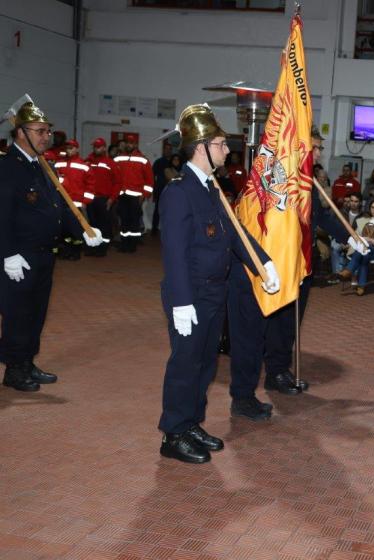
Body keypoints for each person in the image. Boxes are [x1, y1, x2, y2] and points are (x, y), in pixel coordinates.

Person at [157, 104, 280, 463]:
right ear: (202, 146)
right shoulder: (179, 192)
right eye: (222, 144)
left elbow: (235, 233)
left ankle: (191, 422)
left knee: (205, 364)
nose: (227, 150)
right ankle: (173, 433)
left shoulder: (211, 187)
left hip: (214, 291)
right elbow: (174, 253)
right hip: (191, 294)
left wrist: (263, 263)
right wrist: (180, 302)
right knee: (185, 365)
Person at [226, 128, 363, 412]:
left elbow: (322, 216)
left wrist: (349, 237)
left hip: (302, 263)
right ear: (300, 148)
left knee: (289, 322)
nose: (320, 153)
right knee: (270, 323)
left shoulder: (307, 182)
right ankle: (258, 381)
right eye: (316, 147)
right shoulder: (279, 179)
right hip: (278, 264)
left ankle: (278, 370)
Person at [0, 100, 103, 392]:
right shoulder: (8, 168)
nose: (47, 136)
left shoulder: (44, 166)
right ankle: (14, 369)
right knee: (18, 314)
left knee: (36, 313)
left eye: (48, 131)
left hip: (45, 254)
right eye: (41, 131)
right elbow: (2, 214)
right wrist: (8, 254)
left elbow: (60, 206)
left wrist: (83, 229)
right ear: (21, 133)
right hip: (19, 256)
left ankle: (27, 361)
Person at [339, 200, 374, 296]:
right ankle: (361, 286)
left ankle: (349, 269)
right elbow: (356, 235)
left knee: (364, 250)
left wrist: (372, 240)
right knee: (364, 256)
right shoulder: (362, 220)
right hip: (362, 249)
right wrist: (361, 239)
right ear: (369, 209)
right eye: (373, 207)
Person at [54, 139, 93, 260]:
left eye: (71, 148)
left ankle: (76, 253)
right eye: (67, 148)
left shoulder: (84, 166)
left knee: (75, 231)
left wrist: (85, 202)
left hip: (76, 203)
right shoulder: (58, 164)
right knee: (65, 230)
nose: (69, 150)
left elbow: (90, 185)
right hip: (62, 203)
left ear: (77, 149)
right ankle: (66, 251)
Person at [113, 132, 153, 252]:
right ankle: (124, 244)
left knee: (134, 221)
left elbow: (149, 181)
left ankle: (132, 246)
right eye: (127, 143)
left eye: (131, 143)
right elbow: (114, 177)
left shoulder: (143, 160)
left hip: (136, 197)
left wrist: (144, 195)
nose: (129, 145)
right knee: (124, 220)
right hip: (122, 195)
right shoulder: (119, 158)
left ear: (135, 144)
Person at [85, 137, 120, 256]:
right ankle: (92, 247)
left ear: (104, 148)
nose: (96, 148)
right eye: (95, 146)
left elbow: (117, 183)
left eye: (99, 146)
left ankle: (102, 248)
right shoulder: (88, 162)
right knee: (92, 225)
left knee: (104, 225)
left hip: (103, 199)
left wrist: (111, 199)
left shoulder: (110, 163)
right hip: (91, 199)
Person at [330, 192, 363, 277]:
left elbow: (362, 234)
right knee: (335, 247)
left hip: (356, 242)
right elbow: (335, 229)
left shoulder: (363, 216)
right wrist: (342, 241)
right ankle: (337, 274)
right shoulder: (341, 212)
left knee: (359, 249)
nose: (353, 203)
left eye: (356, 201)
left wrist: (350, 244)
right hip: (341, 239)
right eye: (351, 201)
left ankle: (354, 273)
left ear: (360, 203)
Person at [151, 143, 173, 234]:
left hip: (172, 191)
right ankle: (154, 229)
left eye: (169, 149)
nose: (168, 150)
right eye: (166, 149)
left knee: (171, 211)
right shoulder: (158, 162)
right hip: (160, 190)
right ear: (163, 150)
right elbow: (152, 176)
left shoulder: (174, 161)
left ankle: (168, 230)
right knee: (158, 210)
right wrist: (153, 189)